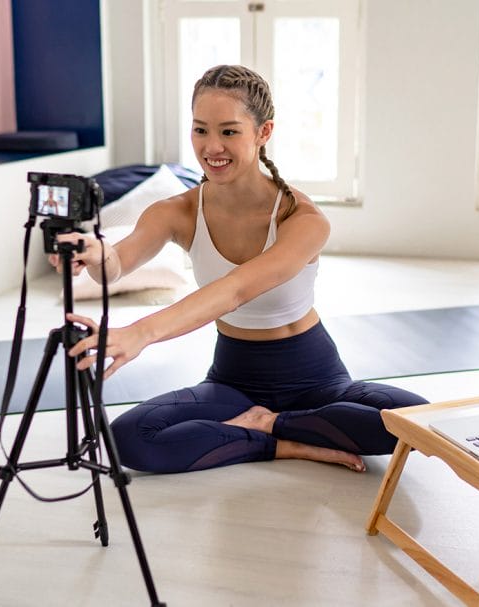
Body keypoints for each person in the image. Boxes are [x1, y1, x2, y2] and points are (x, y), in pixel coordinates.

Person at [52, 64, 428, 474]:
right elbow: (117, 264)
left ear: (263, 132)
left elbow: (235, 290)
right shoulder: (176, 211)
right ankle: (284, 442)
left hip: (317, 379)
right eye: (200, 130)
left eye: (229, 131)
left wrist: (141, 333)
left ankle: (271, 425)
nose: (212, 146)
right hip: (233, 381)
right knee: (129, 439)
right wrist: (94, 251)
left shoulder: (301, 218)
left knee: (419, 421)